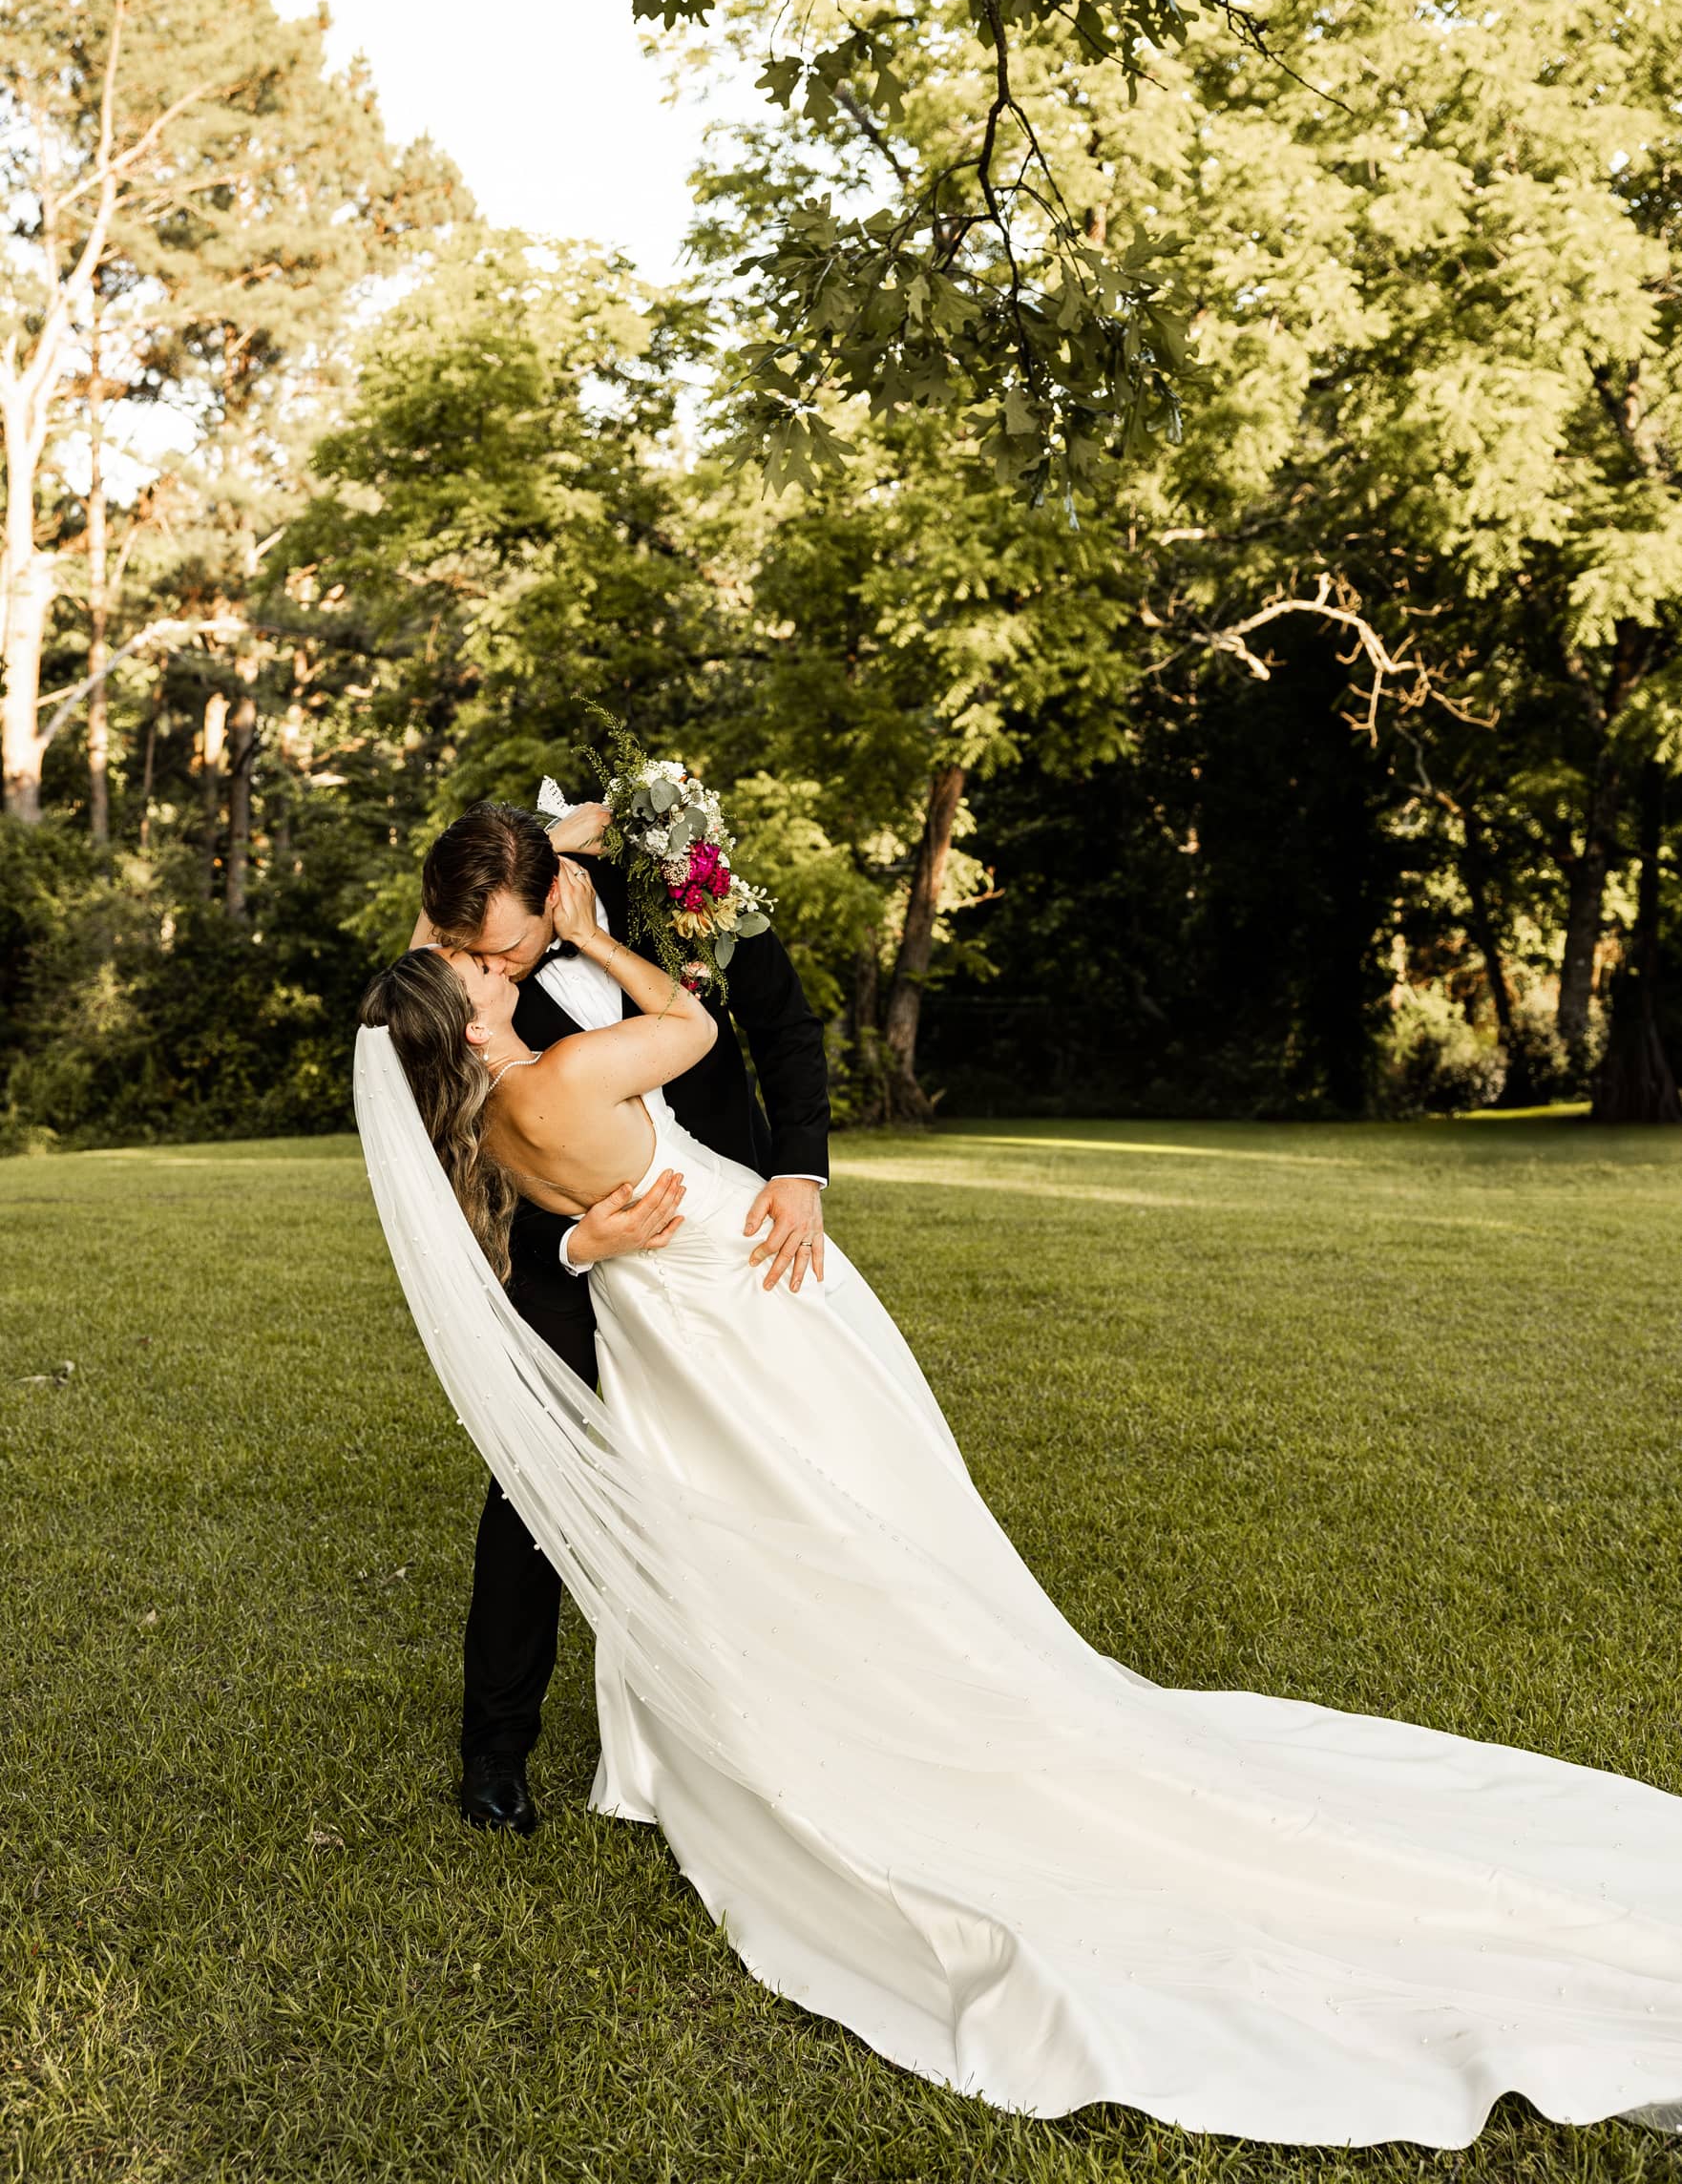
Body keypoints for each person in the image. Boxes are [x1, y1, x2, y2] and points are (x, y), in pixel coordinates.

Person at [357, 896, 1682, 2151]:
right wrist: (591, 957)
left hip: (682, 1310)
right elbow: (690, 1030)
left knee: (761, 1515)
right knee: (832, 1498)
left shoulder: (484, 1112)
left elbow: (723, 1048)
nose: (492, 958)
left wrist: (641, 1191)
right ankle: (900, 1689)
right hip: (723, 1297)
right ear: (468, 1005)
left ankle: (818, 1698)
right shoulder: (554, 1059)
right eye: (473, 961)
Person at [410, 800, 829, 1835]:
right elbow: (461, 1164)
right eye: (467, 951)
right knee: (533, 1486)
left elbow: (781, 1023)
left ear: (553, 893)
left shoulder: (677, 884)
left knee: (769, 1456)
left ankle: (781, 1704)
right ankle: (496, 1748)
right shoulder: (466, 980)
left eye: (500, 948)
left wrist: (798, 1169)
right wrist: (574, 1243)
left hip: (726, 1226)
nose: (485, 968)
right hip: (565, 1259)